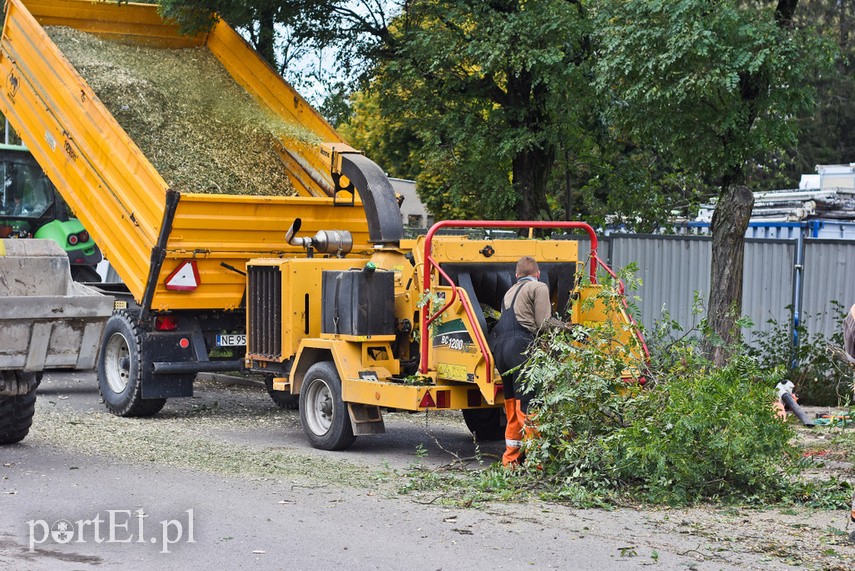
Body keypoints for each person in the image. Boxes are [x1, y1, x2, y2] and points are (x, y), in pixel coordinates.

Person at [490, 256, 554, 467]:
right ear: (537, 274)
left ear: (516, 275)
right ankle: (536, 460)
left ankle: (511, 460)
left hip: (500, 349)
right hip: (520, 347)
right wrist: (569, 329)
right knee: (530, 402)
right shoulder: (539, 287)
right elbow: (543, 323)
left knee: (512, 403)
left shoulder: (509, 292)